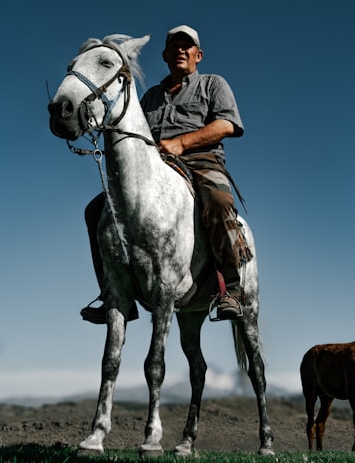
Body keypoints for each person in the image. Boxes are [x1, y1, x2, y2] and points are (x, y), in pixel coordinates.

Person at [81, 25, 248, 324]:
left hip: (201, 163)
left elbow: (227, 125)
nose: (181, 50)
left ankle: (231, 288)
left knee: (218, 200)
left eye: (188, 46)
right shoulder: (151, 97)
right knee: (95, 210)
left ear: (199, 55)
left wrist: (182, 143)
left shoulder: (213, 85)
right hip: (156, 171)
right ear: (165, 55)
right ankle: (113, 295)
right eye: (175, 46)